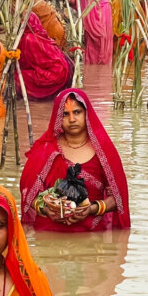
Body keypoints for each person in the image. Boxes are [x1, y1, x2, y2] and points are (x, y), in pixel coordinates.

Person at [20, 89, 130, 231]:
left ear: (86, 114)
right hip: (49, 234)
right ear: (58, 117)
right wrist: (46, 209)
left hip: (92, 236)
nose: (72, 119)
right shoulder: (45, 149)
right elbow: (27, 192)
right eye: (65, 114)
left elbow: (117, 197)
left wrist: (91, 209)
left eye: (77, 112)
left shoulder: (104, 151)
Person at [18, 13, 74, 100]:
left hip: (55, 74)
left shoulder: (28, 39)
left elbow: (24, 63)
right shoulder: (41, 33)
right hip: (64, 69)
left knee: (17, 77)